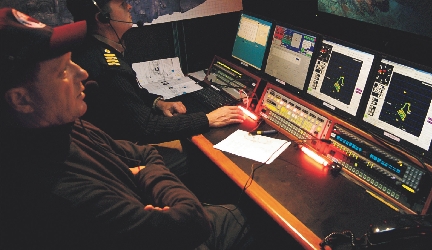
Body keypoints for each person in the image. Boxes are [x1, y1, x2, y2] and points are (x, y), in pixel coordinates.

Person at [0, 8, 250, 249]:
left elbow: (145, 155)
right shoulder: (59, 194)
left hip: (152, 209)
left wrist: (144, 174)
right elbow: (192, 223)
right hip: (174, 225)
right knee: (242, 218)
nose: (83, 73)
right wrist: (148, 177)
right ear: (21, 100)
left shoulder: (65, 128)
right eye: (63, 71)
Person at [64, 0, 245, 175]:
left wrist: (158, 103)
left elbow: (129, 92)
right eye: (121, 4)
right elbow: (147, 128)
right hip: (119, 156)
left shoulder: (97, 47)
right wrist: (207, 119)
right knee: (198, 154)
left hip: (111, 144)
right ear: (102, 17)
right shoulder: (107, 67)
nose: (129, 6)